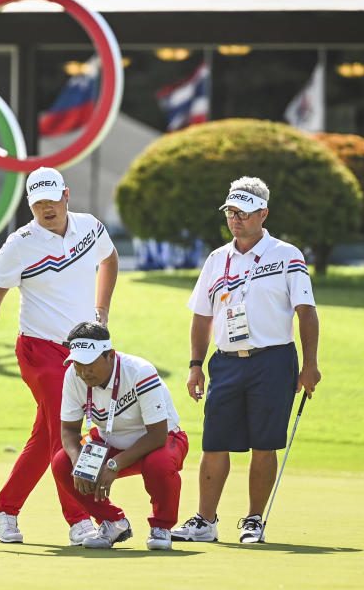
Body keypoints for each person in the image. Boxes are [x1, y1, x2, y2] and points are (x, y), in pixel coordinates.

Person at [0, 167, 119, 545]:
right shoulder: (19, 244)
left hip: (81, 352)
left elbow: (110, 258)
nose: (46, 208)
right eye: (38, 203)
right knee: (65, 434)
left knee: (46, 434)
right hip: (38, 349)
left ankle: (4, 512)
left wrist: (102, 309)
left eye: (52, 199)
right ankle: (80, 518)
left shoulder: (90, 227)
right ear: (30, 205)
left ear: (66, 195)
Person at [172, 176, 321, 544]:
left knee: (264, 443)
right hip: (225, 362)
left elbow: (306, 312)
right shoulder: (216, 259)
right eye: (231, 212)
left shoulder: (287, 255)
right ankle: (205, 521)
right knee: (214, 442)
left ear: (263, 214)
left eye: (244, 213)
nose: (236, 219)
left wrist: (310, 365)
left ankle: (254, 520)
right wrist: (195, 364)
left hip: (273, 360)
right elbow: (202, 316)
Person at [52, 322, 188, 550]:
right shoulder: (73, 376)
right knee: (62, 463)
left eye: (91, 362)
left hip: (162, 440)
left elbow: (157, 436)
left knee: (159, 465)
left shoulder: (139, 371)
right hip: (109, 441)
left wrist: (116, 464)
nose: (84, 371)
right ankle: (113, 523)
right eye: (78, 363)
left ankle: (161, 527)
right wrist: (79, 463)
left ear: (110, 355)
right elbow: (70, 431)